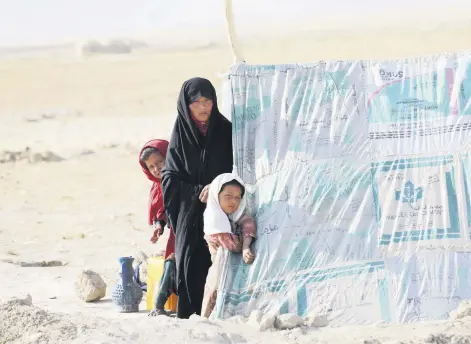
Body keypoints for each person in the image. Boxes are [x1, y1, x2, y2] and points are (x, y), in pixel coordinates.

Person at [161, 77, 233, 319]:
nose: (203, 107)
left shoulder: (225, 131)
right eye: (197, 102)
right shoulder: (180, 135)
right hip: (189, 216)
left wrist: (216, 187)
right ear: (185, 105)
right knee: (190, 265)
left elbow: (237, 170)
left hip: (222, 213)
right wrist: (196, 191)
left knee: (220, 265)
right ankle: (190, 317)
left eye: (208, 100)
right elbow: (169, 177)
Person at [201, 173, 257, 318]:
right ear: (216, 195)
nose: (234, 201)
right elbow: (233, 245)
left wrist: (246, 247)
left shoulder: (233, 215)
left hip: (231, 270)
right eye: (228, 196)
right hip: (220, 271)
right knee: (213, 299)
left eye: (238, 197)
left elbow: (248, 223)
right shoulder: (214, 221)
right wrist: (243, 245)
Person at [138, 139, 177, 316]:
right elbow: (160, 213)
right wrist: (158, 226)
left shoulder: (181, 177)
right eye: (151, 167)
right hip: (176, 234)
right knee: (171, 262)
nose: (157, 169)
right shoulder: (157, 188)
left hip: (194, 229)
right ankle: (158, 304)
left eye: (160, 162)